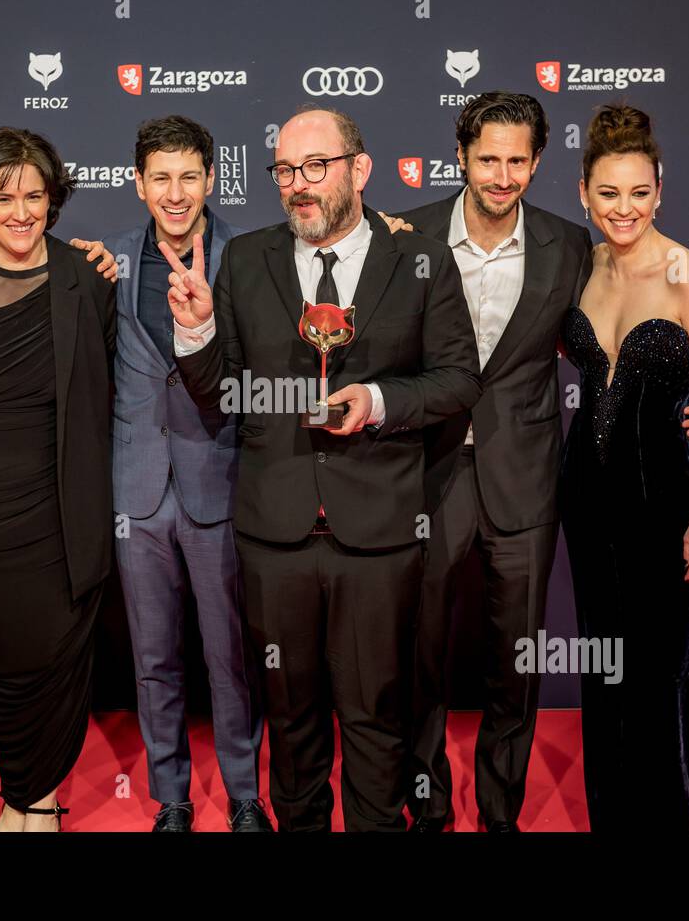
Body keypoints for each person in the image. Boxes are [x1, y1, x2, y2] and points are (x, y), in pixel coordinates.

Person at [392, 92, 689, 832]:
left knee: (516, 667)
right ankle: (428, 804)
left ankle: (500, 813)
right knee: (420, 658)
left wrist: (682, 405)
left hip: (528, 480)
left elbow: (610, 344)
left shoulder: (572, 247)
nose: (502, 176)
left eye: (516, 160)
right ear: (462, 158)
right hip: (427, 474)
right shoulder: (407, 237)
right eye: (487, 159)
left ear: (537, 163)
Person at [166, 107, 482, 831]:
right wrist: (197, 327)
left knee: (376, 718)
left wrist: (375, 400)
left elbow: (459, 381)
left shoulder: (421, 258)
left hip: (378, 532)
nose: (297, 186)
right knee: (291, 717)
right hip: (276, 535)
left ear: (359, 170)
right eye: (284, 170)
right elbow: (224, 392)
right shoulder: (246, 259)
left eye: (316, 167)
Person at [0, 127, 116, 832]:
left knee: (58, 655)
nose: (20, 211)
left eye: (35, 196)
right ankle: (22, 784)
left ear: (54, 202)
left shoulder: (85, 278)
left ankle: (36, 799)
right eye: (4, 195)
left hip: (63, 505)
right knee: (2, 657)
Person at [562, 104, 689, 831]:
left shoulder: (687, 273)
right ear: (583, 194)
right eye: (609, 194)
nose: (624, 208)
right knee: (605, 670)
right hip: (586, 500)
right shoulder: (581, 267)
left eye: (638, 192)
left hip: (665, 502)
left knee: (660, 678)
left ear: (659, 190)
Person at [102, 116, 269, 832]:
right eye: (160, 178)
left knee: (231, 658)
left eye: (189, 177)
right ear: (139, 183)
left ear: (212, 178)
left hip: (219, 484)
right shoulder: (103, 264)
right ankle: (170, 796)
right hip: (137, 489)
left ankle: (243, 796)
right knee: (153, 655)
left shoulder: (253, 260)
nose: (175, 193)